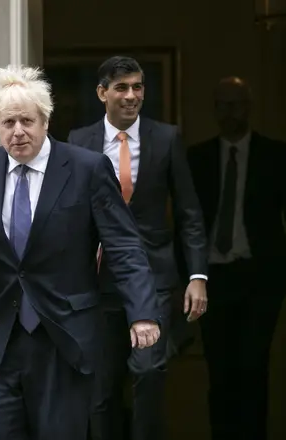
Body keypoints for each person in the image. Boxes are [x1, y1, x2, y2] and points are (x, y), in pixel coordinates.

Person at [0, 64, 162, 440]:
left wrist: (142, 313)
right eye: (8, 122)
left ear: (45, 120)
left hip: (64, 338)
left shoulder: (86, 168)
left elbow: (123, 245)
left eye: (27, 120)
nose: (18, 131)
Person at [68, 56, 209, 440]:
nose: (132, 96)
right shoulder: (79, 142)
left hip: (154, 277)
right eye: (122, 88)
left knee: (149, 371)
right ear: (102, 93)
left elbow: (189, 211)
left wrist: (198, 275)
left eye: (138, 87)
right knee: (101, 387)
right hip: (98, 281)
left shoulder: (167, 138)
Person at [187, 76, 286, 440]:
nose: (231, 113)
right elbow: (186, 221)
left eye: (237, 104)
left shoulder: (274, 154)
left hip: (260, 279)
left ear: (249, 107)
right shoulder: (197, 158)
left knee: (253, 369)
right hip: (212, 280)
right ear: (214, 111)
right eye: (223, 105)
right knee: (220, 372)